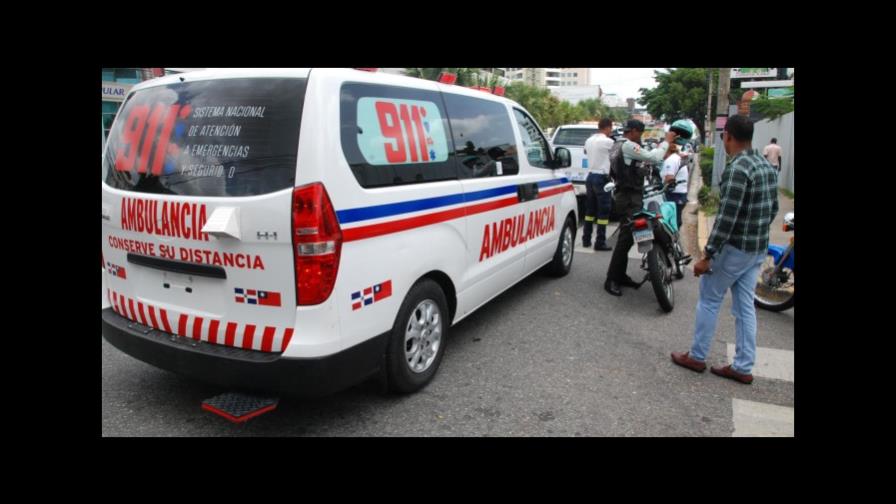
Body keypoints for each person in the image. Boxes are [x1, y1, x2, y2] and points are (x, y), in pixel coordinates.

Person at [671, 115, 779, 384]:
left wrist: (707, 256)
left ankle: (696, 356)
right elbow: (773, 208)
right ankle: (743, 366)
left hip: (734, 249)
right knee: (745, 308)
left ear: (728, 136)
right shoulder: (765, 166)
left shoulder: (738, 169)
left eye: (723, 137)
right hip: (756, 249)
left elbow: (727, 218)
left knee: (709, 299)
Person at [604, 119, 677, 296]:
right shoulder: (628, 146)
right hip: (628, 197)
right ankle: (612, 279)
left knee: (628, 239)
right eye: (640, 133)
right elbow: (653, 157)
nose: (640, 137)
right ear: (634, 131)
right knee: (626, 239)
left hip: (627, 195)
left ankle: (619, 276)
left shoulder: (617, 145)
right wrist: (666, 141)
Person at [582, 118, 615, 250]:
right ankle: (600, 242)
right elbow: (617, 155)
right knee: (603, 211)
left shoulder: (589, 140)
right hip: (602, 178)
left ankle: (586, 239)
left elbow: (585, 152)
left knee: (590, 210)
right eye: (610, 129)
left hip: (590, 177)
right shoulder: (608, 141)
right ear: (608, 127)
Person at [661, 120, 694, 226]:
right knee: (676, 221)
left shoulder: (671, 159)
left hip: (674, 195)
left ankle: (673, 241)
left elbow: (669, 179)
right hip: (680, 195)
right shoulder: (677, 157)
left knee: (671, 223)